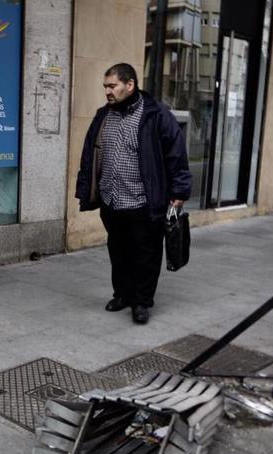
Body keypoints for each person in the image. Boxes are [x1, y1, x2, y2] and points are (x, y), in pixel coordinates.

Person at [75, 63, 192, 324]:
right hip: (112, 200)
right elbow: (89, 155)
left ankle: (141, 302)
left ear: (130, 85)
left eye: (112, 85)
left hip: (143, 201)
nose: (108, 91)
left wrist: (180, 190)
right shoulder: (103, 115)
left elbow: (176, 154)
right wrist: (87, 187)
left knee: (146, 253)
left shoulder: (156, 115)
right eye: (105, 86)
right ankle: (123, 294)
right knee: (118, 251)